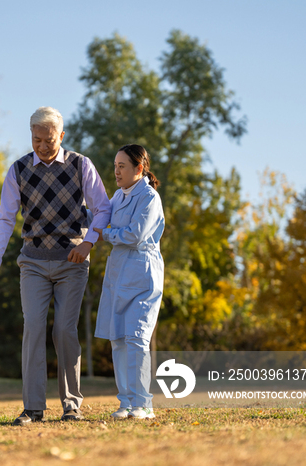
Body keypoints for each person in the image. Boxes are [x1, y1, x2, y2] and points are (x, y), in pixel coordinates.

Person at [0, 107, 111, 425]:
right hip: (33, 263)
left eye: (48, 140)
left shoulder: (81, 165)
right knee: (34, 328)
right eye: (36, 140)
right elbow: (6, 217)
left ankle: (71, 405)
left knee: (64, 331)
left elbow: (103, 208)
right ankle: (33, 407)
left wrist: (89, 242)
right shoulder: (19, 170)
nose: (41, 146)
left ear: (61, 137)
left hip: (72, 261)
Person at [93, 143, 165, 420]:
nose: (116, 171)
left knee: (137, 337)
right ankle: (125, 403)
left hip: (142, 272)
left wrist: (106, 233)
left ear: (139, 168)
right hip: (118, 272)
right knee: (118, 339)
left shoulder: (149, 197)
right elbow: (102, 219)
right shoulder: (118, 195)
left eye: (122, 166)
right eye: (115, 166)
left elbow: (134, 235)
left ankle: (143, 404)